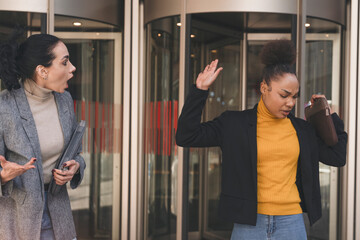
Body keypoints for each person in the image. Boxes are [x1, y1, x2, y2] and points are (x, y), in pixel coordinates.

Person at [175, 40, 347, 239]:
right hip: (249, 223)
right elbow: (186, 136)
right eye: (284, 95)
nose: (290, 103)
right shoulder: (234, 124)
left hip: (291, 221)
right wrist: (200, 90)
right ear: (264, 87)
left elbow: (337, 157)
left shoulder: (303, 130)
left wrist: (329, 117)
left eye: (294, 97)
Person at [0, 32, 85, 240]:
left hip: (60, 215)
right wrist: (3, 175)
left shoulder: (65, 100)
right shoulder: (5, 105)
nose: (72, 68)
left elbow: (77, 154)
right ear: (42, 71)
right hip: (19, 221)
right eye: (65, 62)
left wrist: (75, 167)